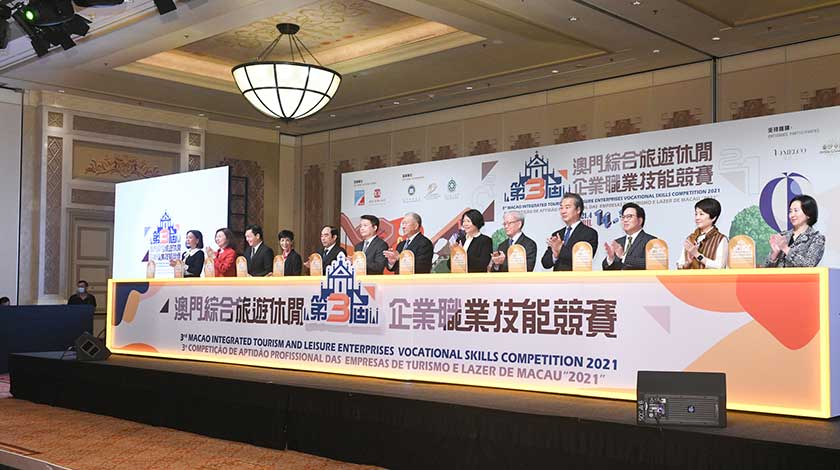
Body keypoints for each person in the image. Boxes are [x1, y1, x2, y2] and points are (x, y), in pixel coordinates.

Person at [541, 193, 598, 271]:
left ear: (578, 210)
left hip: (577, 278)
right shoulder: (557, 234)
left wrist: (560, 249)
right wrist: (555, 255)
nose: (563, 211)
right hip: (557, 278)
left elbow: (582, 260)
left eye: (567, 207)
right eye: (561, 208)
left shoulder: (589, 233)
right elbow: (545, 263)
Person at [766, 195, 825, 268]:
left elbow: (809, 265)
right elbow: (766, 269)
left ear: (808, 214)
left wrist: (785, 249)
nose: (792, 215)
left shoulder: (816, 238)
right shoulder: (783, 235)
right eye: (790, 211)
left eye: (796, 210)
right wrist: (775, 254)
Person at [603, 203, 657, 271]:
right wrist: (610, 258)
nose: (625, 220)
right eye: (623, 217)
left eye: (629, 216)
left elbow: (653, 264)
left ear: (640, 221)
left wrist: (623, 256)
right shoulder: (618, 242)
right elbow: (606, 268)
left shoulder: (651, 241)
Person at [677, 198, 727, 269]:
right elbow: (680, 265)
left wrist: (697, 255)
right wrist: (688, 262)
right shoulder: (691, 238)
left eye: (701, 214)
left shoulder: (720, 239)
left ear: (713, 218)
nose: (697, 218)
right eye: (696, 214)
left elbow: (720, 266)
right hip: (690, 276)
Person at [449, 209, 492, 273]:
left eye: (468, 221)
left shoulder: (485, 241)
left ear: (476, 222)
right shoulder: (460, 240)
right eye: (464, 221)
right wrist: (454, 253)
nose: (465, 224)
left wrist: (463, 254)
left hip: (476, 277)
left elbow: (483, 264)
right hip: (459, 277)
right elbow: (450, 265)